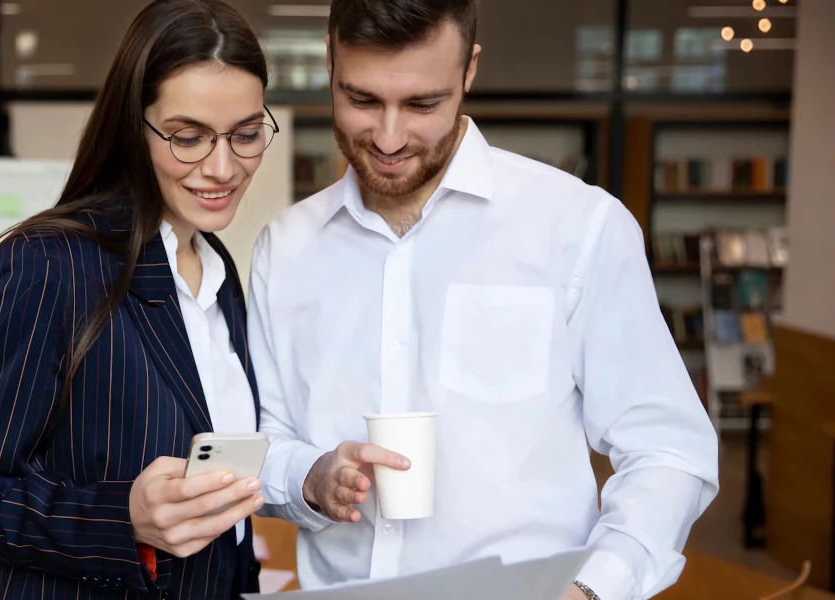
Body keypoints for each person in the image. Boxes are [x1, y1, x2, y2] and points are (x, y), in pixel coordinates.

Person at [249, 1, 720, 599]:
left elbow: (669, 449)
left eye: (423, 104)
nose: (389, 137)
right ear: (329, 61)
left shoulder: (578, 226)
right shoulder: (284, 249)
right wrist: (311, 477)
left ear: (469, 71)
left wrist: (596, 587)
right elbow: (267, 441)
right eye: (362, 100)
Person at [0, 1, 281, 598]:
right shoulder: (45, 265)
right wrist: (125, 517)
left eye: (247, 135)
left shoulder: (218, 265)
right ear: (132, 126)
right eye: (188, 136)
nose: (223, 167)